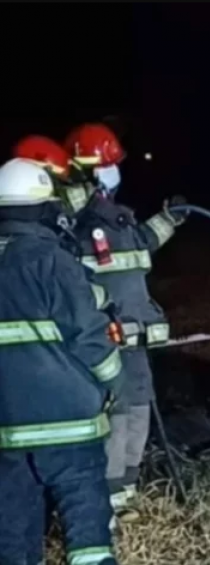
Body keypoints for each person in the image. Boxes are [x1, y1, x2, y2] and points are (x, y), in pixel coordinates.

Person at [0, 157, 123, 565]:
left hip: (8, 429)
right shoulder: (51, 259)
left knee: (13, 537)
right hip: (69, 422)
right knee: (86, 530)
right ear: (43, 208)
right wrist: (114, 383)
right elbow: (88, 337)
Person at [62, 123, 188, 519]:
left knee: (139, 408)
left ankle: (125, 492)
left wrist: (170, 219)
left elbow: (140, 246)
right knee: (113, 416)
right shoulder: (70, 222)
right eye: (106, 165)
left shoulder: (115, 216)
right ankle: (106, 501)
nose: (112, 172)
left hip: (136, 337)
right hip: (103, 340)